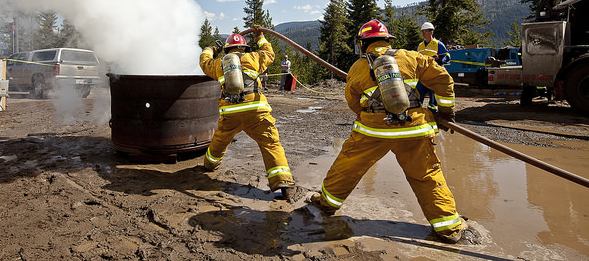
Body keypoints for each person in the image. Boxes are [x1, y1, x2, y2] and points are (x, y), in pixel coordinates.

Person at [309, 19, 465, 243]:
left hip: (374, 131)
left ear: (363, 44)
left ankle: (326, 204)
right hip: (414, 129)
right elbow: (443, 79)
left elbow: (353, 101)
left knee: (347, 166)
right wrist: (446, 111)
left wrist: (367, 114)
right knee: (427, 176)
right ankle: (449, 228)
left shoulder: (358, 67)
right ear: (388, 39)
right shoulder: (410, 57)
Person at [199, 27, 296, 199]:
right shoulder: (254, 57)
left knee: (220, 140)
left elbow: (204, 62)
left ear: (228, 50)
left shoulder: (219, 64)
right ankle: (283, 182)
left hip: (231, 113)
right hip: (257, 112)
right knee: (271, 144)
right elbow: (268, 52)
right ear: (244, 48)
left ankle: (209, 165)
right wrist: (260, 36)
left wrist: (212, 49)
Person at [416, 22, 450, 113]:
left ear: (431, 32)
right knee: (417, 96)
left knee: (433, 99)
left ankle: (433, 115)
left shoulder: (438, 44)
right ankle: (417, 114)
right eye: (422, 31)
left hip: (434, 76)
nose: (423, 34)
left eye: (425, 31)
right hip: (423, 76)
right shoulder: (420, 46)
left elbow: (447, 56)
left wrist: (439, 59)